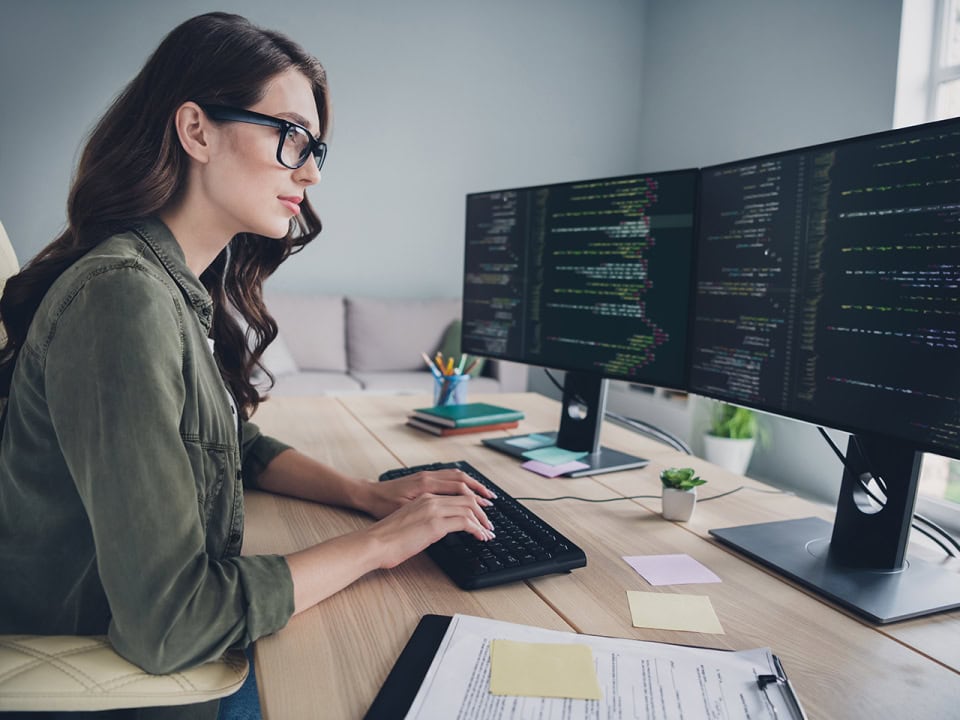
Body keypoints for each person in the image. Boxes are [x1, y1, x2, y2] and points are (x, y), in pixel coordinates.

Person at [0, 12, 494, 719]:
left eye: (316, 146)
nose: (313, 171)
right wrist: (380, 545)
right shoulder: (122, 300)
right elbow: (170, 625)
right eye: (291, 136)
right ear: (196, 130)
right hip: (116, 676)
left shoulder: (175, 287)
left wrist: (368, 496)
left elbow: (233, 441)